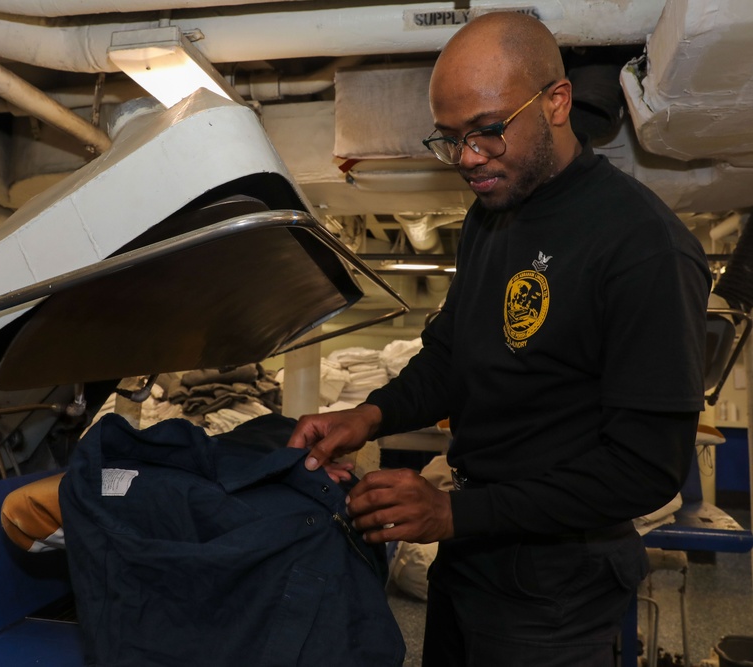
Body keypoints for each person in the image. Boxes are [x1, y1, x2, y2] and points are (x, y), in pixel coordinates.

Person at [287, 11, 711, 666]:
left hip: (558, 591)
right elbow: (455, 356)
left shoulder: (642, 246)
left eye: (486, 132)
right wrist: (368, 415)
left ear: (557, 102)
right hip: (474, 554)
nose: (468, 159)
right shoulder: (494, 215)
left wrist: (458, 515)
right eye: (450, 139)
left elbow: (645, 467)